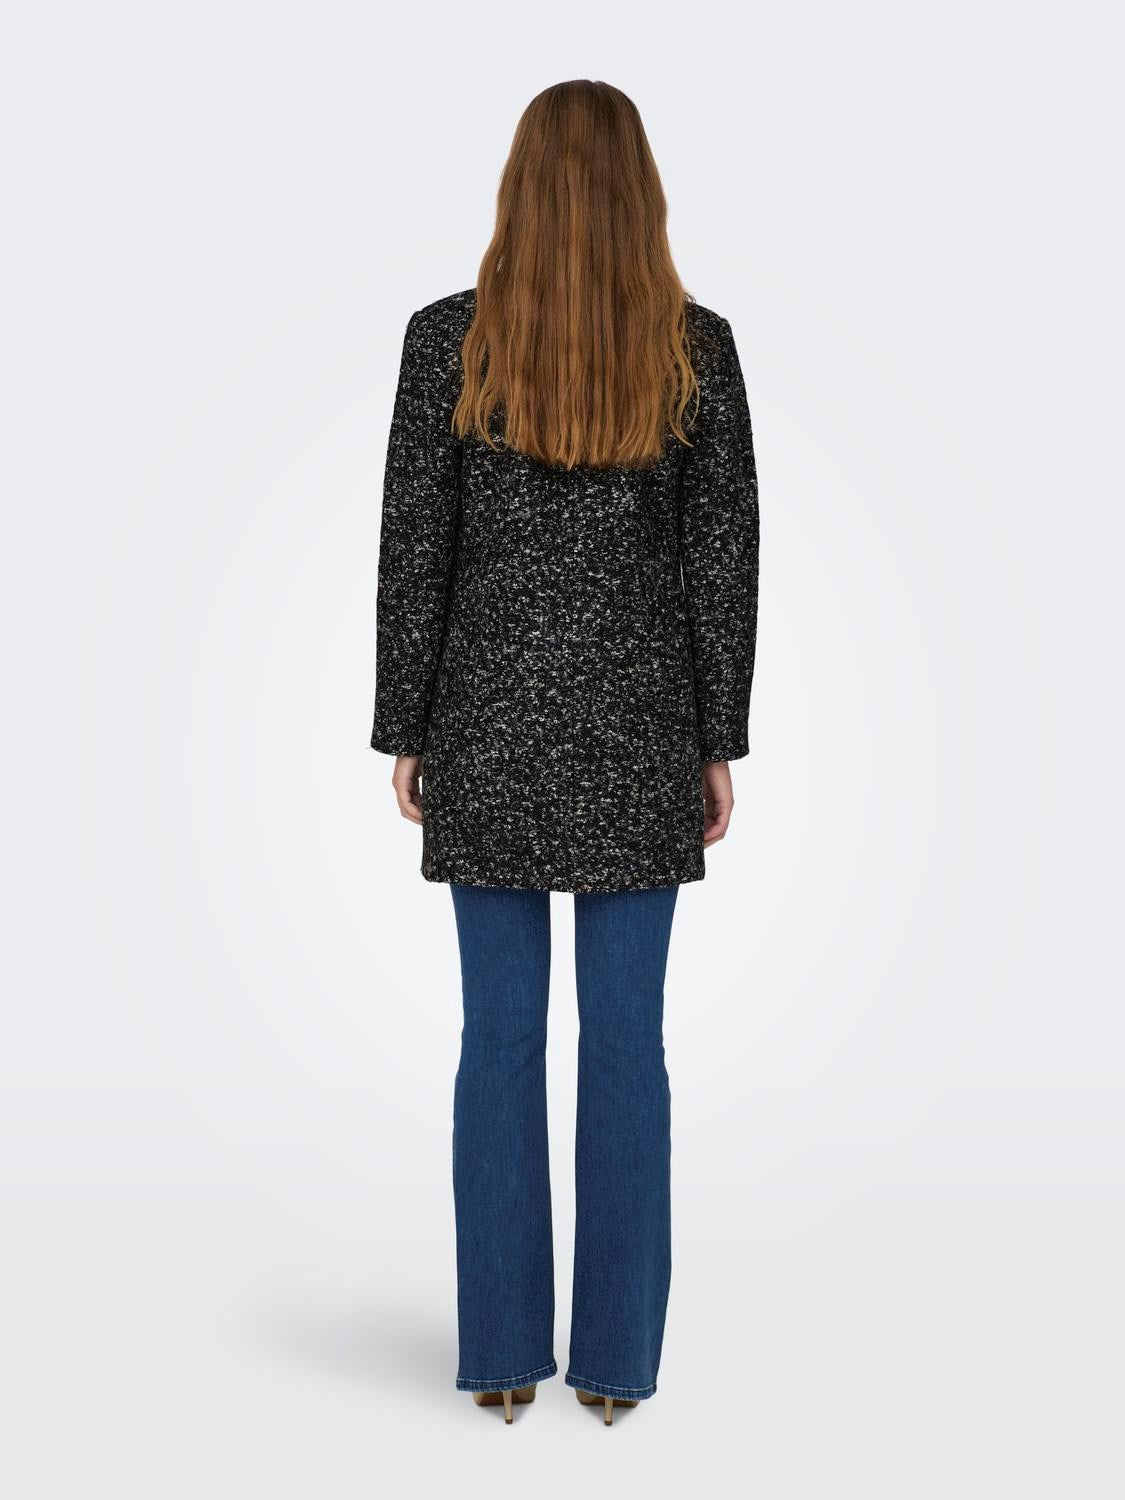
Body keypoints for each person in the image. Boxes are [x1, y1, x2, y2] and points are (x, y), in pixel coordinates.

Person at [369, 79, 760, 1426]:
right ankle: (613, 1368)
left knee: (497, 1041)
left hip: (485, 726)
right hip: (642, 734)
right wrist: (717, 740)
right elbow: (722, 564)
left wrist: (408, 726)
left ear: (518, 186)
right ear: (640, 191)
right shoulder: (693, 349)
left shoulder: (447, 342)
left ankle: (499, 1360)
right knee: (627, 1046)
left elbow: (415, 550)